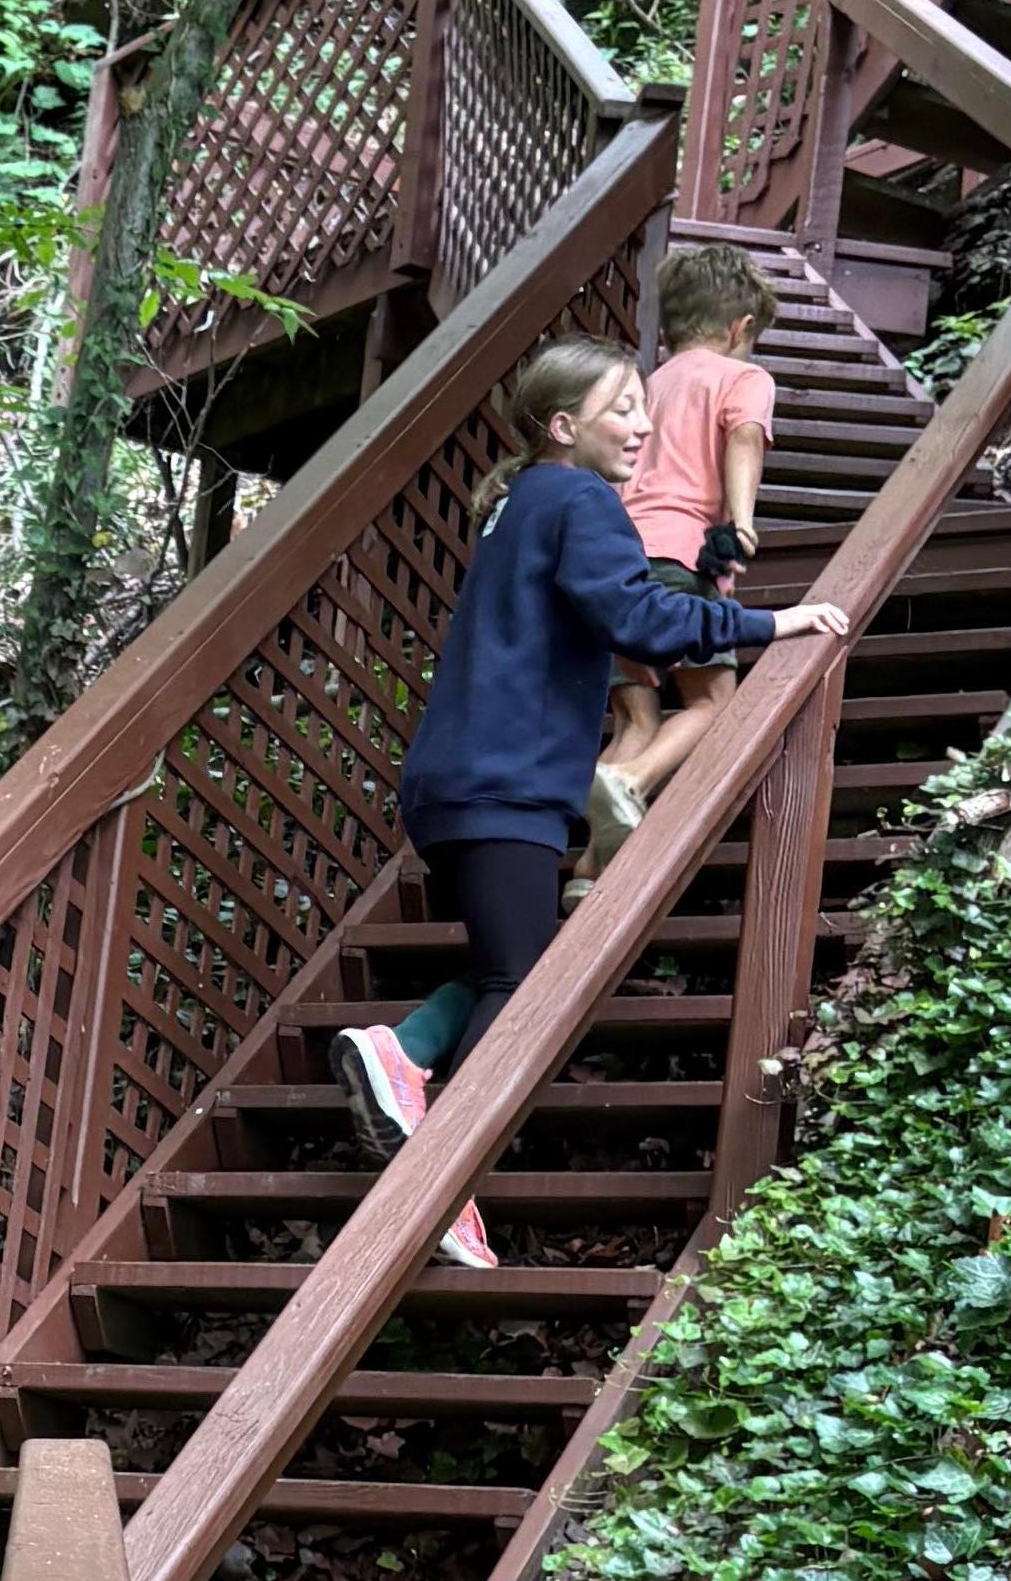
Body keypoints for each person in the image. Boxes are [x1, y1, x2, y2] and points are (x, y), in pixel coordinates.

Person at [336, 334, 846, 1263]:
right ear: (564, 427)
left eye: (646, 408)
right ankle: (439, 1169)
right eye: (623, 410)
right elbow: (638, 615)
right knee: (523, 987)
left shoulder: (521, 503)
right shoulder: (578, 498)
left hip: (458, 780)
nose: (644, 426)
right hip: (508, 782)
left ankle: (409, 1052)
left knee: (522, 962)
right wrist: (771, 622)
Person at [595, 245, 782, 844]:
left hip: (613, 565)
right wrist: (744, 521)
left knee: (636, 718)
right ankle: (630, 782)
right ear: (741, 327)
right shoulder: (743, 376)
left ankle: (588, 874)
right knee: (712, 702)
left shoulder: (645, 386)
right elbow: (745, 437)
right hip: (680, 559)